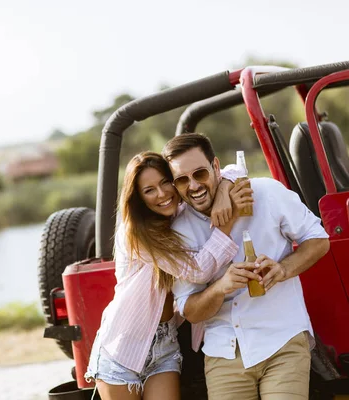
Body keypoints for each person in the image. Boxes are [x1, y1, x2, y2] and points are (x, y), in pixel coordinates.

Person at [161, 133, 330, 400]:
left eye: (200, 174)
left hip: (283, 338)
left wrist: (283, 268)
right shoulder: (179, 231)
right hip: (223, 350)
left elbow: (318, 240)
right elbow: (191, 311)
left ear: (216, 167)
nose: (193, 186)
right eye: (182, 180)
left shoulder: (266, 192)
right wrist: (220, 287)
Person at [84, 151, 254, 400]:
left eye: (165, 182)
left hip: (164, 344)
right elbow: (197, 271)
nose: (162, 194)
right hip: (121, 346)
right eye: (149, 190)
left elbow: (235, 169)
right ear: (139, 198)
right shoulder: (136, 235)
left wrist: (224, 190)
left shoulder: (178, 215)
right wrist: (227, 222)